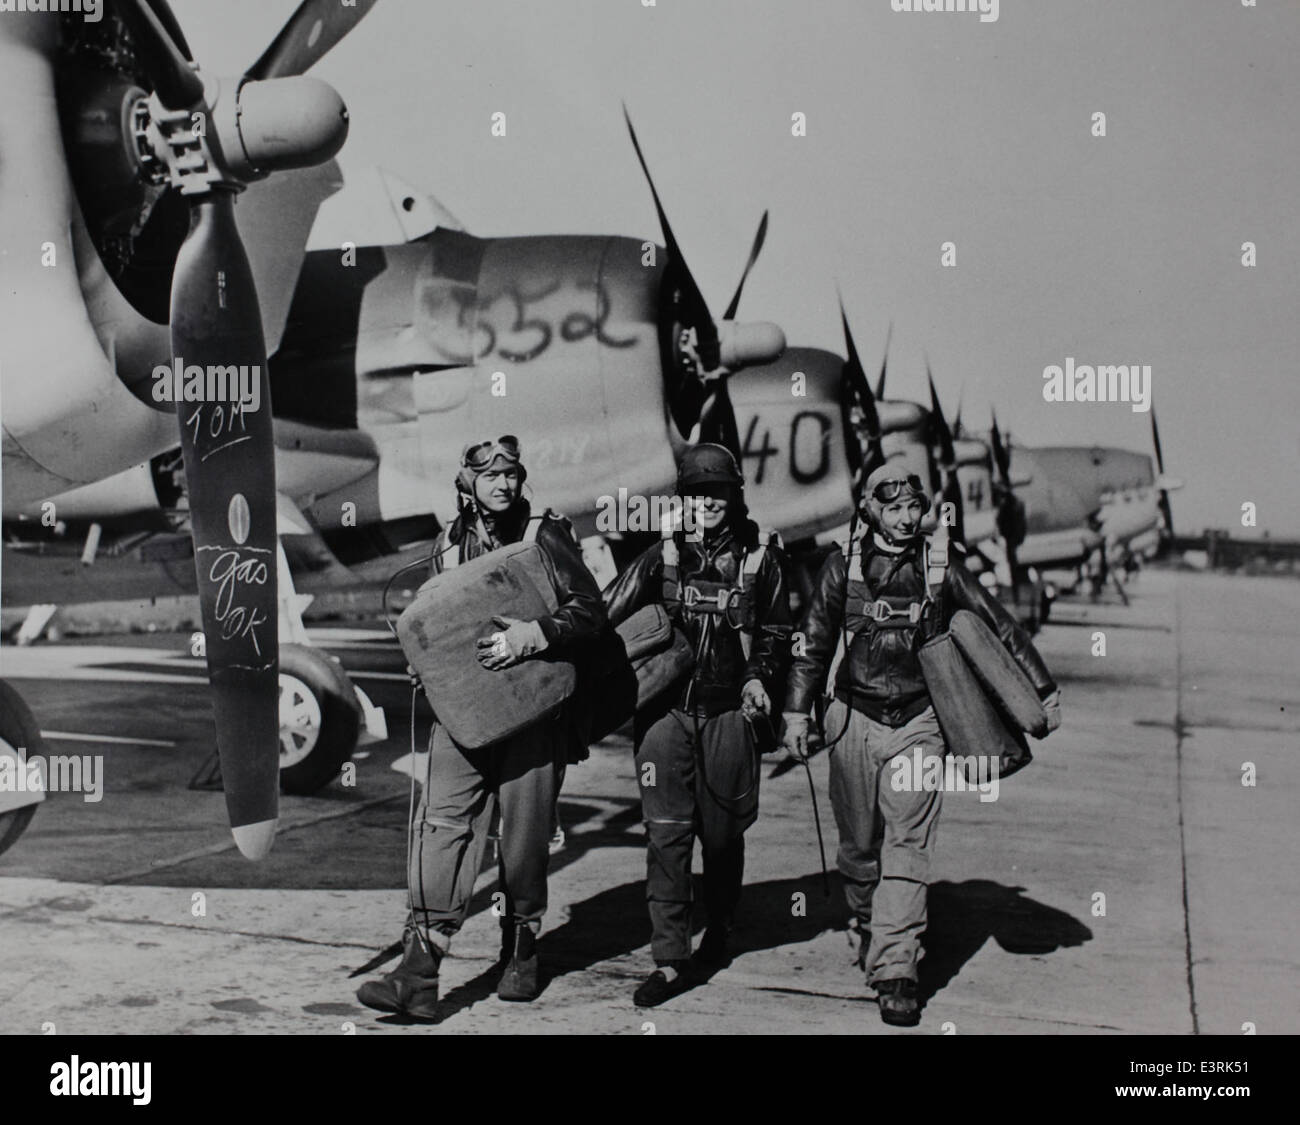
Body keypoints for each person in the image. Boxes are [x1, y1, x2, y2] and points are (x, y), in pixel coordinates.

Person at [781, 462, 1061, 1027]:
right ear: (870, 510)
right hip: (853, 719)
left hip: (920, 724)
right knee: (860, 849)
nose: (907, 518)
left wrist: (1042, 688)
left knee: (907, 846)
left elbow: (997, 623)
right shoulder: (844, 566)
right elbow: (812, 642)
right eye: (894, 508)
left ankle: (897, 971)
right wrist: (794, 711)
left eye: (915, 507)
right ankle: (865, 921)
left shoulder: (939, 567)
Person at [357, 436, 605, 1020]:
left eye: (511, 474)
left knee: (522, 843)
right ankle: (418, 974)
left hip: (531, 712)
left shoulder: (545, 534)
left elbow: (590, 611)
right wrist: (429, 668)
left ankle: (521, 947)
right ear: (467, 483)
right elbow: (435, 623)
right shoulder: (447, 544)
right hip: (462, 713)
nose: (502, 483)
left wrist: (534, 634)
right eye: (490, 475)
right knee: (439, 829)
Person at [603, 444, 792, 1008]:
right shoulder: (659, 555)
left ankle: (723, 926)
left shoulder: (762, 559)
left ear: (735, 495)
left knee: (724, 832)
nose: (707, 504)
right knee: (665, 832)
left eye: (717, 493)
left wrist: (760, 676)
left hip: (730, 712)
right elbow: (607, 613)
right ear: (682, 500)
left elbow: (780, 632)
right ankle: (669, 958)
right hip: (665, 715)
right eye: (696, 495)